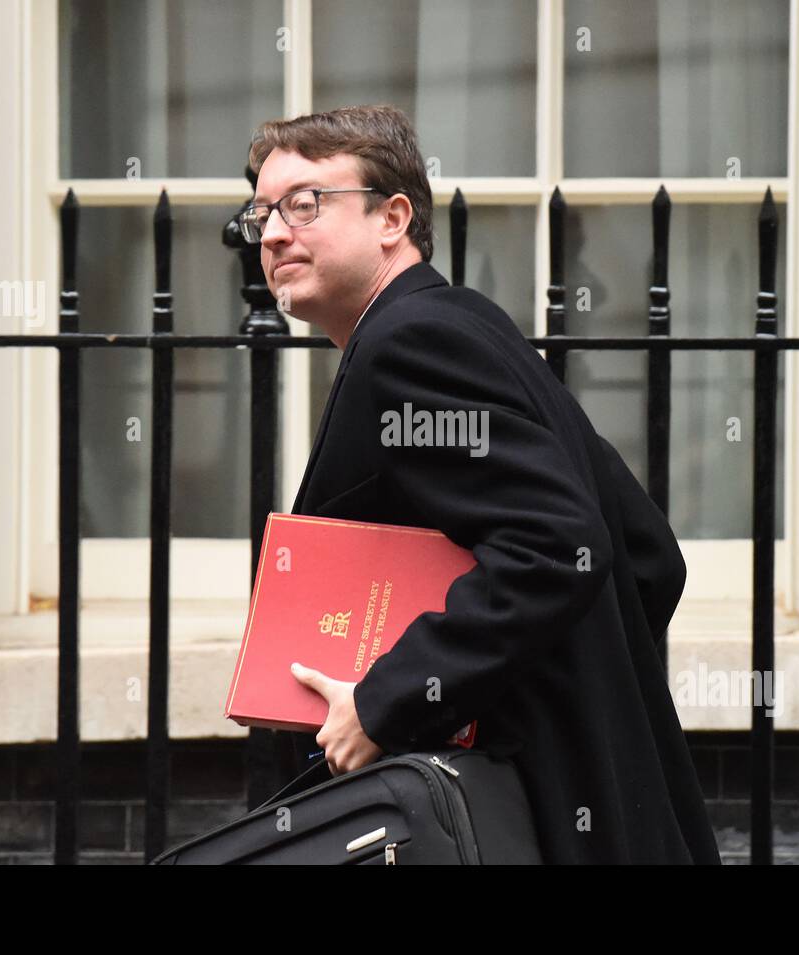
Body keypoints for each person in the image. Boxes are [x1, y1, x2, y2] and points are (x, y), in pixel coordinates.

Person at [243, 104, 721, 865]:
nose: (271, 232)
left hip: (517, 826)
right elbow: (648, 553)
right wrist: (571, 700)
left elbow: (556, 545)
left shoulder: (410, 344)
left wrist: (389, 699)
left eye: (304, 203)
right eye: (261, 211)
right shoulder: (468, 326)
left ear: (392, 216)